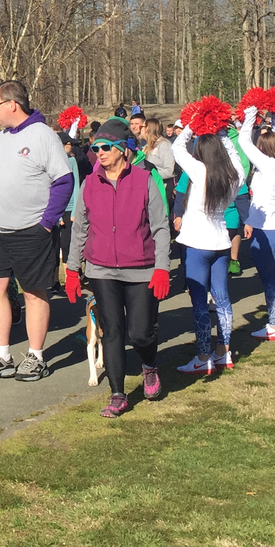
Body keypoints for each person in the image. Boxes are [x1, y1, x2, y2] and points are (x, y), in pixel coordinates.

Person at [64, 117, 171, 416]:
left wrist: (162, 267)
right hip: (101, 270)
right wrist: (73, 270)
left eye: (106, 147)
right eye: (96, 147)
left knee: (140, 333)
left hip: (141, 268)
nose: (100, 152)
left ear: (124, 150)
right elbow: (80, 229)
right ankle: (117, 394)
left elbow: (161, 228)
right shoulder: (89, 184)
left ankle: (149, 366)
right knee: (112, 331)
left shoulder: (145, 180)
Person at [0, 81, 74, 382]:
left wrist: (46, 222)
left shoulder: (43, 136)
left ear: (12, 104)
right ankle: (1, 355)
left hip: (31, 230)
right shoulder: (2, 139)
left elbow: (63, 181)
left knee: (33, 292)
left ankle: (36, 356)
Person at [171, 120, 243, 374]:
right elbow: (236, 159)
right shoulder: (234, 176)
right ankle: (224, 350)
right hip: (221, 242)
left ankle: (203, 355)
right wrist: (223, 134)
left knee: (200, 302)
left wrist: (192, 124)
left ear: (200, 152)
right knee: (222, 298)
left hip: (196, 244)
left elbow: (178, 147)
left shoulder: (198, 170)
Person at [237, 107, 275, 341]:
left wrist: (250, 112)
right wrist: (274, 115)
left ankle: (274, 326)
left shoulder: (268, 164)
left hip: (268, 230)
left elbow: (243, 139)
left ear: (263, 149)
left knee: (270, 280)